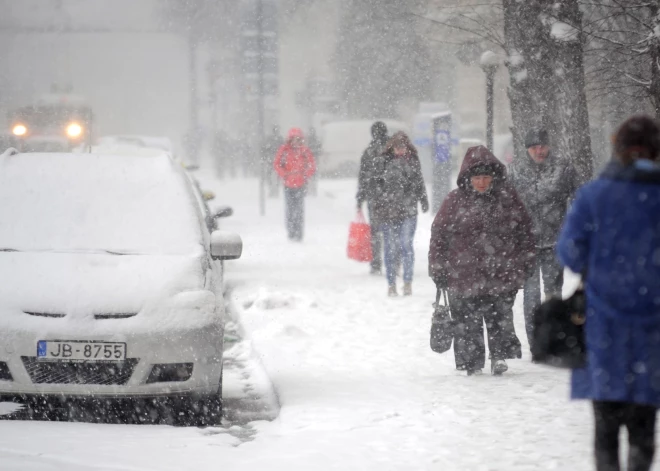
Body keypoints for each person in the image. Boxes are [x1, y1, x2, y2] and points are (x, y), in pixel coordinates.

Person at [557, 115, 660, 471]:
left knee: (606, 421)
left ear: (617, 150)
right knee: (644, 420)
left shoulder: (593, 195)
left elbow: (569, 254)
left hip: (603, 326)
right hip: (654, 328)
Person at [429, 146, 536, 376]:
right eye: (477, 177)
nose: (481, 182)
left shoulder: (507, 199)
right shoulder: (454, 201)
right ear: (468, 177)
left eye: (486, 177)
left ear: (494, 177)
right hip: (464, 273)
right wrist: (438, 268)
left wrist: (525, 261)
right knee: (467, 321)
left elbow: (525, 231)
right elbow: (439, 235)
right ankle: (471, 362)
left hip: (501, 270)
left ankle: (499, 355)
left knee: (499, 316)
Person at [509, 128, 578, 353]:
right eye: (534, 147)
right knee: (530, 298)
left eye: (542, 146)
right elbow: (506, 205)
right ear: (527, 149)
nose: (539, 150)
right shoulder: (516, 171)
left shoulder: (563, 168)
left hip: (555, 241)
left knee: (553, 295)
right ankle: (536, 344)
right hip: (526, 244)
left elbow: (578, 198)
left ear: (549, 146)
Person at [372, 131, 428, 296]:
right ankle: (391, 284)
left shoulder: (412, 162)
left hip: (408, 210)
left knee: (405, 245)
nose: (400, 150)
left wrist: (423, 199)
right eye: (397, 146)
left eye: (402, 146)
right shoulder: (382, 162)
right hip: (388, 212)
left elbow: (419, 181)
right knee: (390, 248)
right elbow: (376, 186)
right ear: (391, 147)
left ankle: (407, 282)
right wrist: (379, 204)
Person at [356, 121, 389, 275]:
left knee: (375, 231)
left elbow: (363, 177)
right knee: (391, 229)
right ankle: (393, 260)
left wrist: (360, 197)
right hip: (391, 196)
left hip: (374, 196)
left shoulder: (368, 152)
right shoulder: (392, 150)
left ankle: (376, 263)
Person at [273, 128, 316, 241]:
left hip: (300, 184)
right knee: (290, 209)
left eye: (298, 139)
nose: (295, 142)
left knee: (299, 209)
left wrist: (305, 175)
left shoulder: (304, 151)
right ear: (290, 139)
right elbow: (277, 164)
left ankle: (299, 232)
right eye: (293, 139)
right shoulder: (284, 150)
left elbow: (311, 165)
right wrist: (285, 175)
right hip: (288, 184)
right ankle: (291, 231)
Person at [262, 126, 283, 197]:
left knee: (274, 175)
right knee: (272, 175)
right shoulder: (276, 139)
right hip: (273, 160)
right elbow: (265, 149)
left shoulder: (273, 139)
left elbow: (265, 149)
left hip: (274, 160)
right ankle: (273, 190)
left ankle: (274, 190)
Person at [306, 128, 322, 196]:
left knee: (309, 175)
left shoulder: (308, 140)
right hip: (313, 159)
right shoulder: (315, 139)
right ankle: (313, 190)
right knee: (313, 174)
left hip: (310, 159)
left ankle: (310, 190)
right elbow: (319, 148)